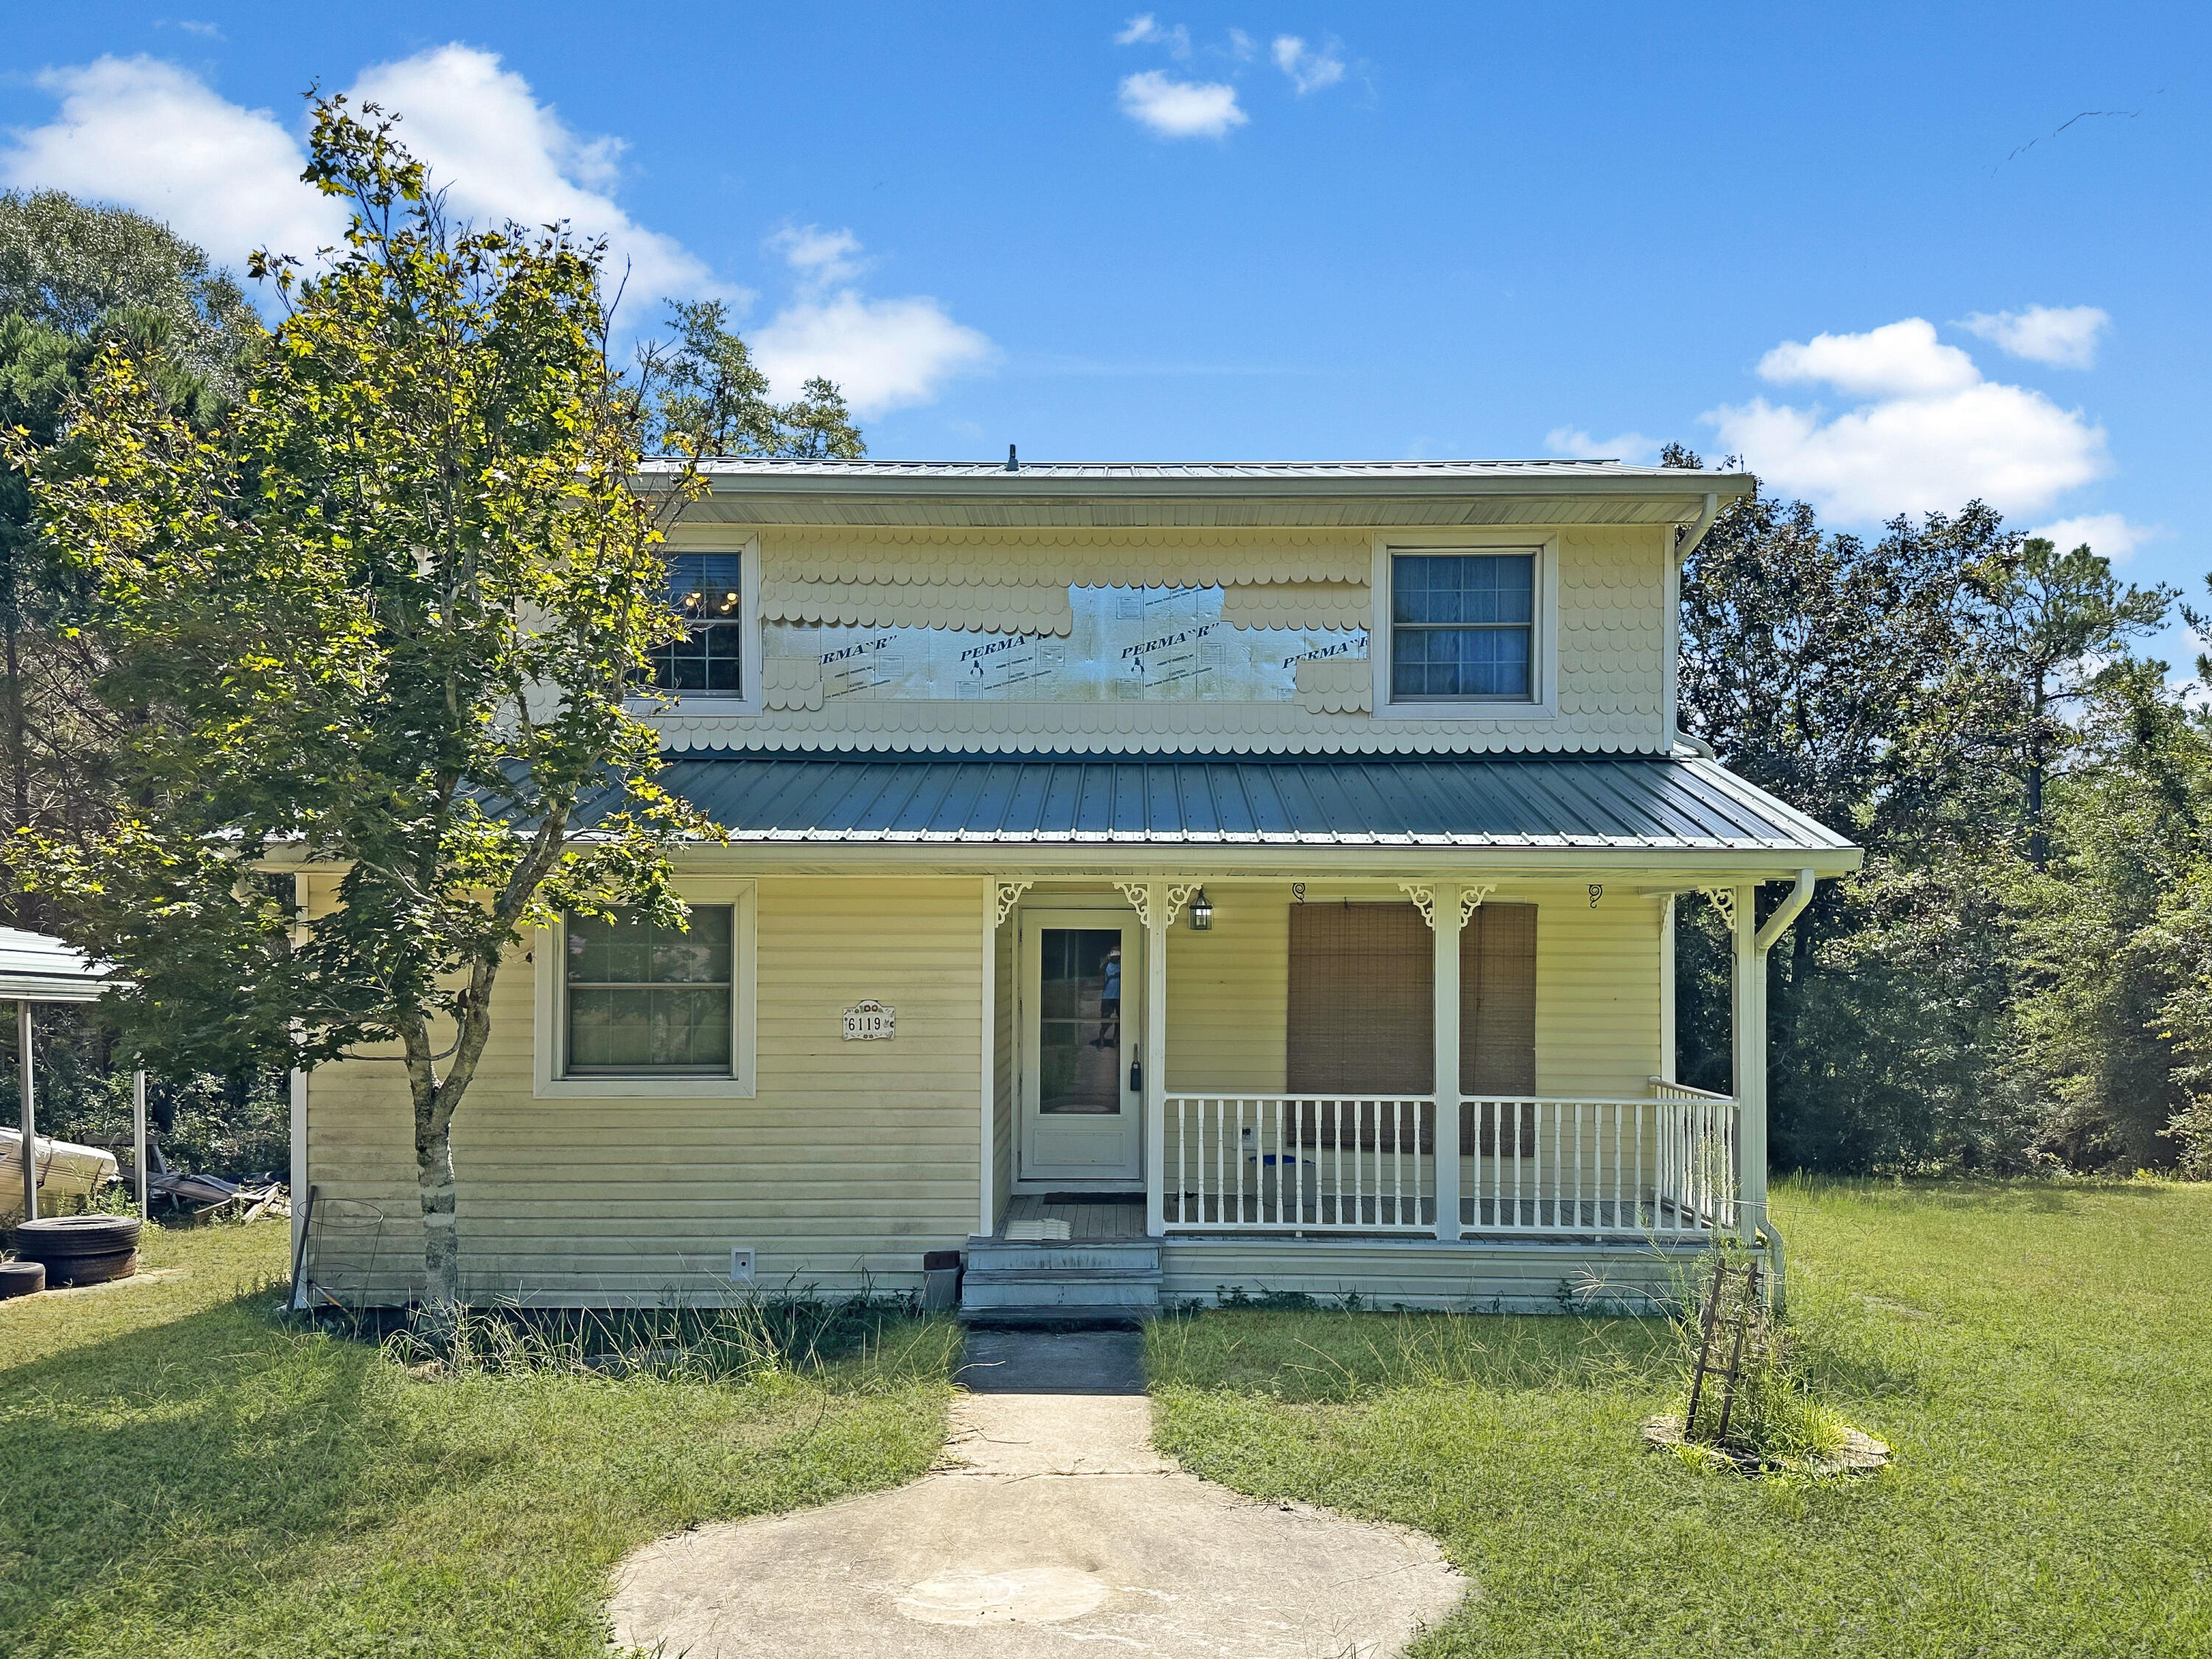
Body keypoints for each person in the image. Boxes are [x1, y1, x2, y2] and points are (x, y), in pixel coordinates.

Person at [1095, 943, 1121, 1049]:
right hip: (1108, 996)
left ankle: (1115, 1040)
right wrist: (1107, 959)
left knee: (1120, 1021)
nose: (1115, 954)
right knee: (1105, 1020)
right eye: (1113, 951)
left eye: (1118, 951)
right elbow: (1099, 971)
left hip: (1119, 996)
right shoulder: (1107, 965)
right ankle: (1101, 1040)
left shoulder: (1122, 964)